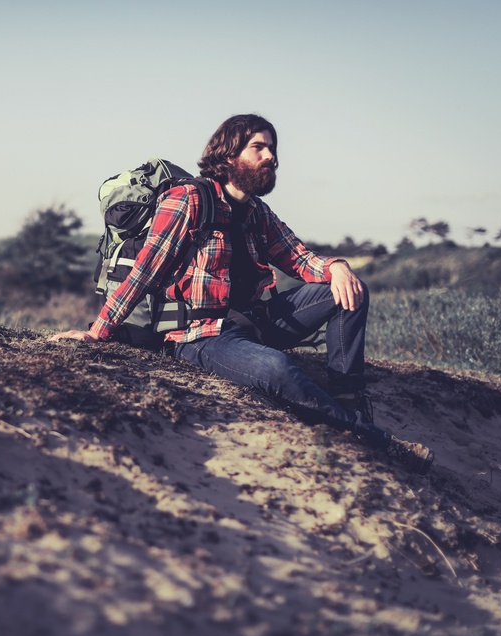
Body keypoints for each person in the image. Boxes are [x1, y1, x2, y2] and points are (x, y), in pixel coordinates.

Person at [52, 114, 434, 474]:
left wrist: (336, 266)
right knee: (277, 369)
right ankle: (375, 440)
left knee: (349, 289)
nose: (271, 157)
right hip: (199, 336)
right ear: (229, 154)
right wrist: (98, 331)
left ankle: (348, 401)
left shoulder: (257, 212)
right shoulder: (188, 200)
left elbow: (299, 259)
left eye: (273, 150)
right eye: (259, 148)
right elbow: (145, 271)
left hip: (255, 321)